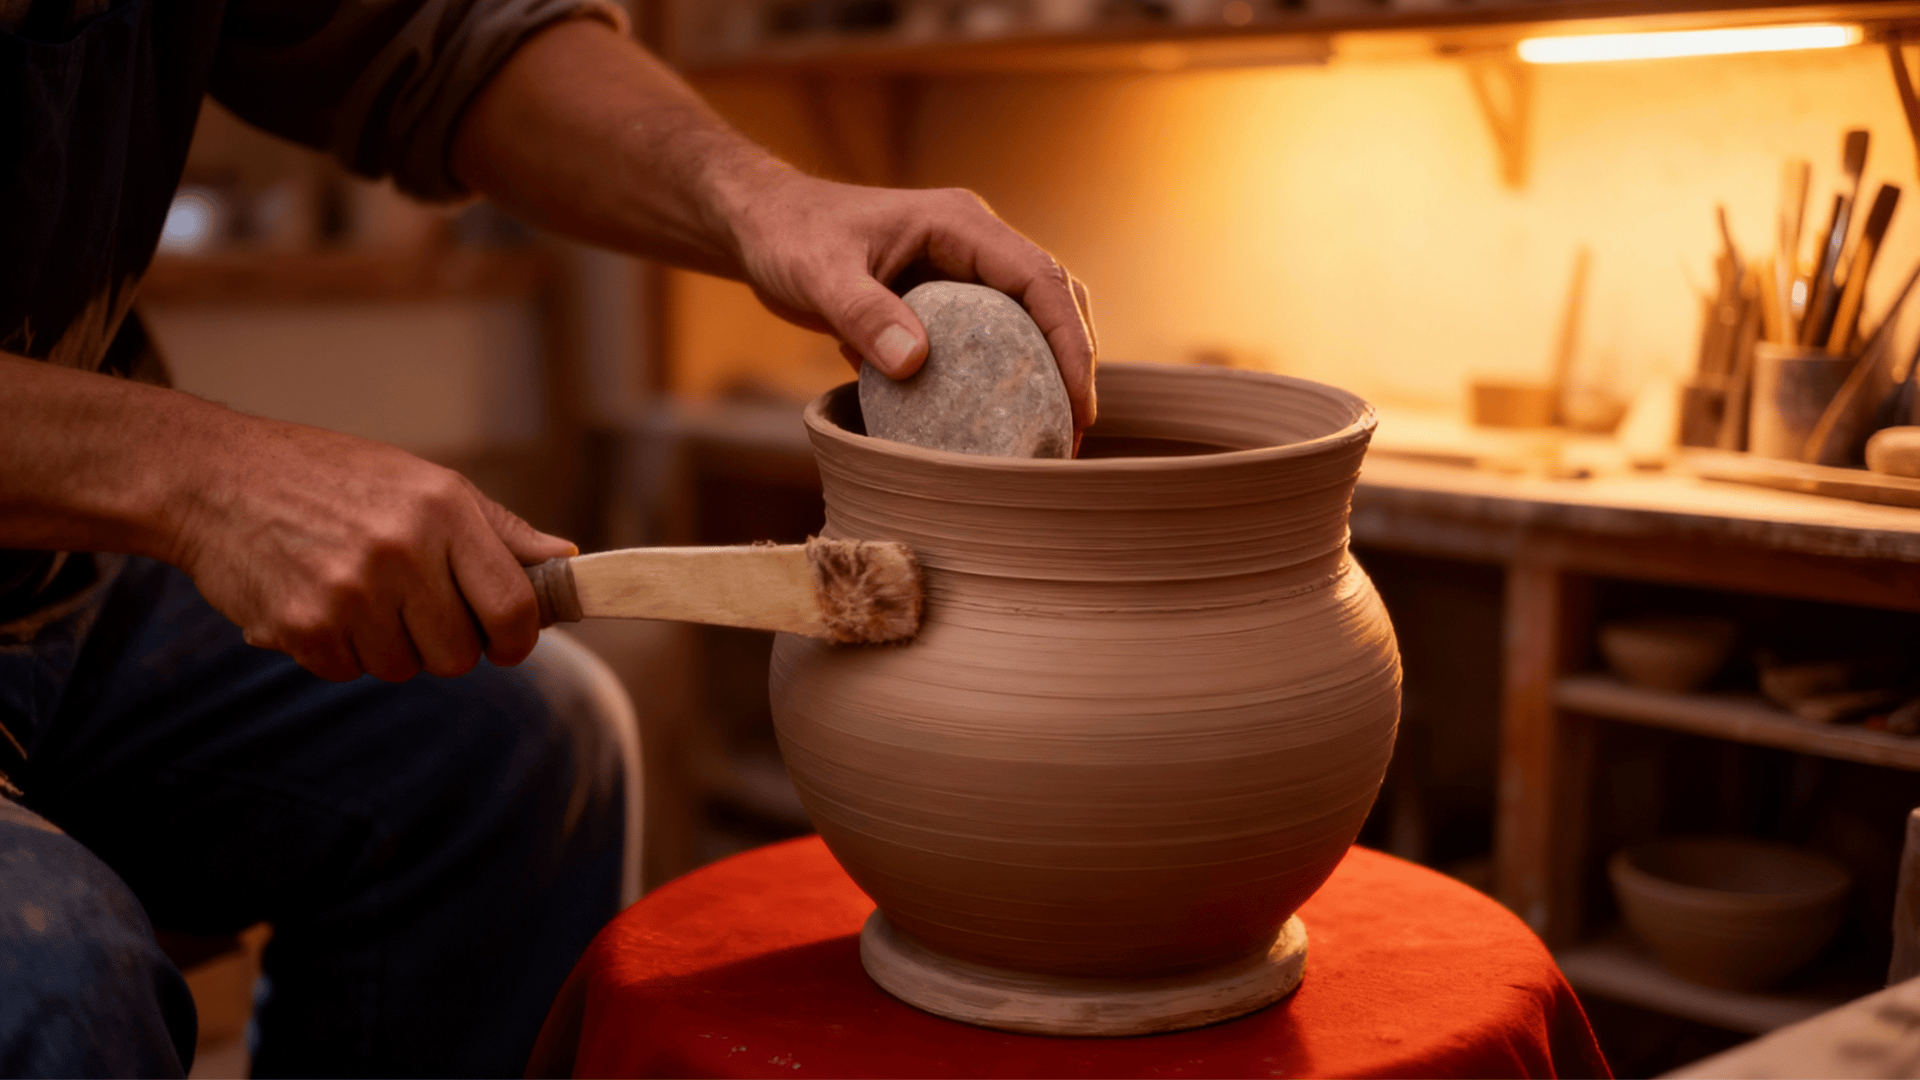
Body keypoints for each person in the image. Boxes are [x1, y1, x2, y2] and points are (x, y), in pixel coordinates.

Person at [0, 1, 1098, 1075]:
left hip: (57, 584)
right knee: (63, 988)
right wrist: (195, 476)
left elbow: (437, 35)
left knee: (532, 748)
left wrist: (762, 197)